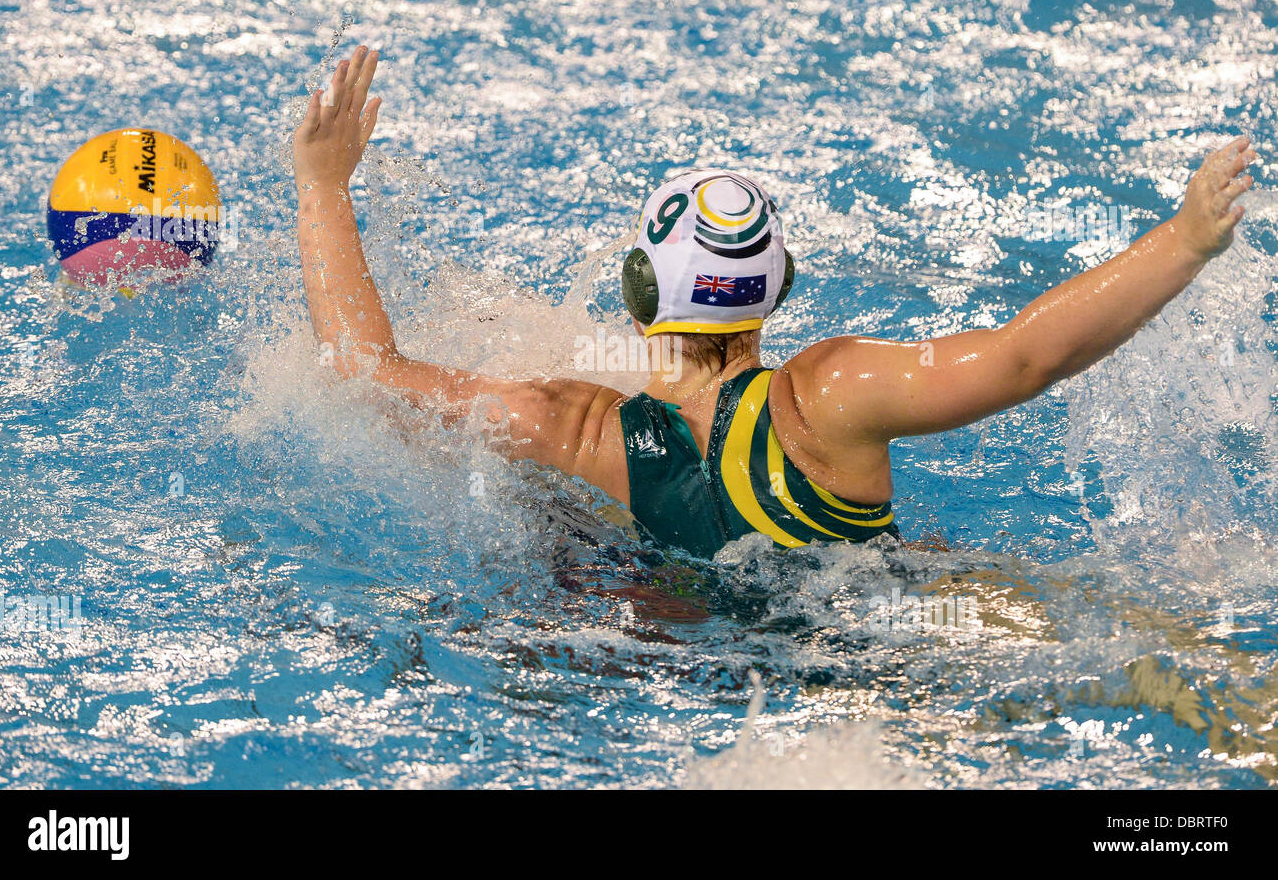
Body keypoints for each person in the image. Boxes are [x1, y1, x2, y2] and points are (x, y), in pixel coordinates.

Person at [292, 45, 1259, 558]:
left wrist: (325, 191)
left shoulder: (570, 426)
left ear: (637, 291)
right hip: (890, 640)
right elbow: (1023, 356)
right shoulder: (825, 399)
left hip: (687, 673)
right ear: (776, 290)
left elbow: (365, 373)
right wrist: (1183, 239)